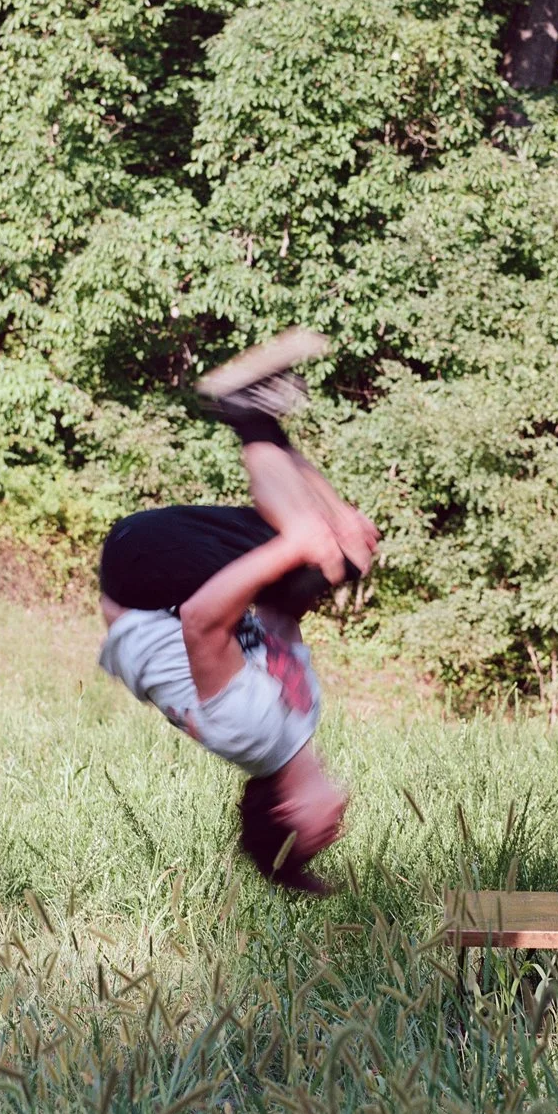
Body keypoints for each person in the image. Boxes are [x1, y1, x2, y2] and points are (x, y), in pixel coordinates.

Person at [96, 331, 378, 894]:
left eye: (319, 837)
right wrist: (338, 516)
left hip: (145, 577)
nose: (336, 831)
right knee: (341, 554)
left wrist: (299, 543)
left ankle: (245, 409)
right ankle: (257, 413)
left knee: (309, 547)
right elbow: (280, 612)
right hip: (160, 574)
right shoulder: (298, 720)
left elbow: (203, 621)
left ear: (287, 812)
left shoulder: (251, 735)